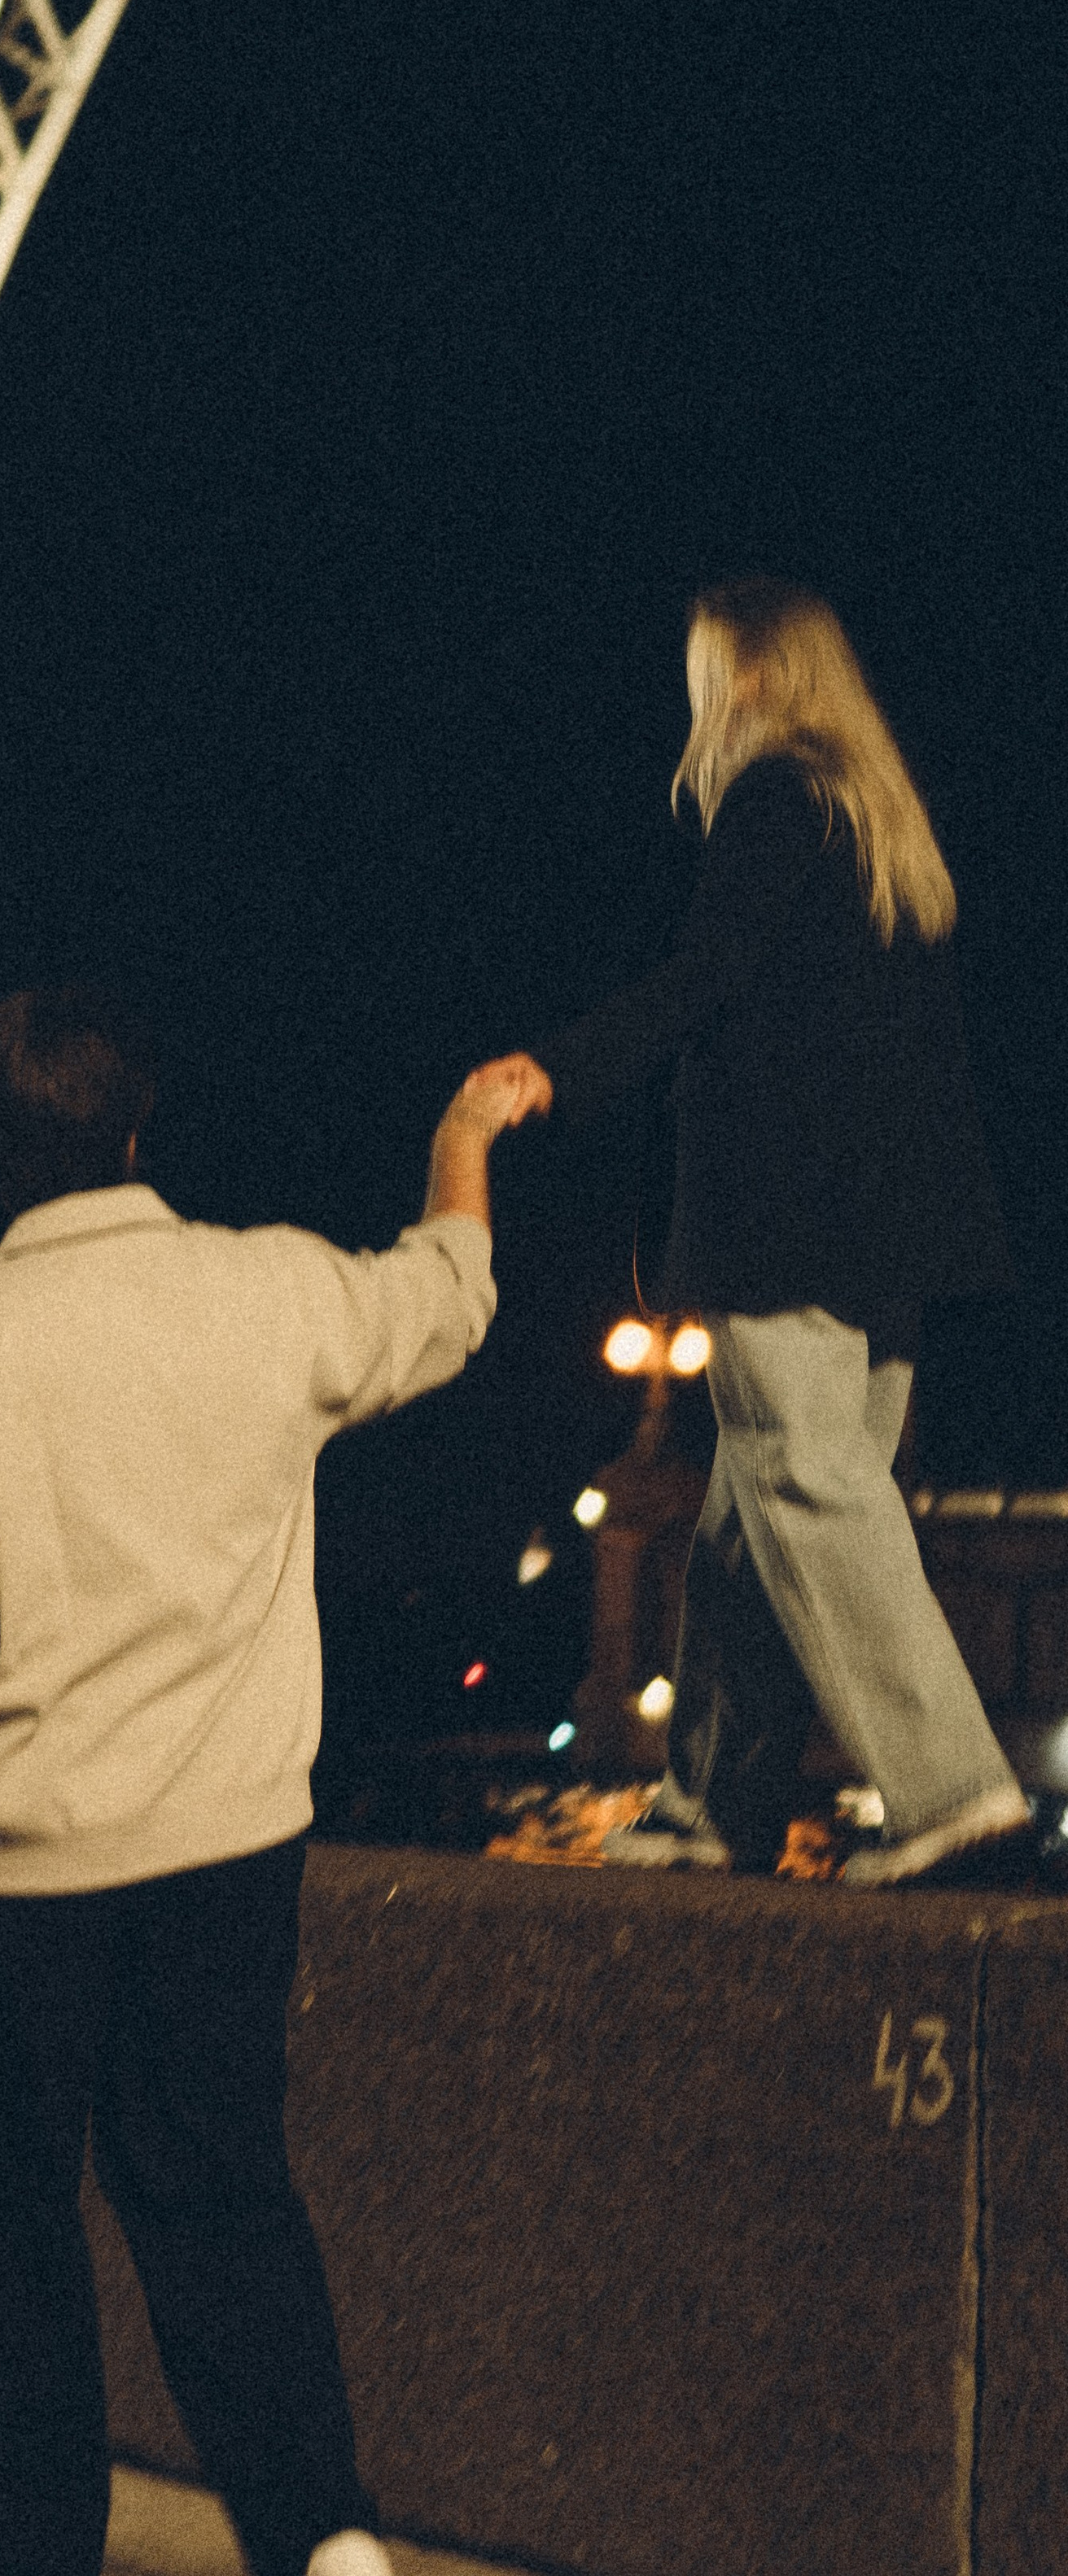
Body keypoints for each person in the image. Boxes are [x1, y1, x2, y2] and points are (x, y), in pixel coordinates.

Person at [0, 986, 543, 2576]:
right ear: (136, 1135)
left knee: (1, 2243)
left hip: (18, 1878)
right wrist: (457, 1138)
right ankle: (323, 2538)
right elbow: (446, 1296)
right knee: (217, 2198)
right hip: (230, 1856)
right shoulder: (266, 1290)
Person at [531, 576, 1026, 1887]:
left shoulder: (773, 797)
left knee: (809, 1487)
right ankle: (716, 1806)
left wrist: (557, 1071)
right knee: (749, 1532)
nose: (693, 695)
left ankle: (954, 1789)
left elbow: (705, 987)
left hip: (786, 1229)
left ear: (748, 677)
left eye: (704, 670)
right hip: (889, 1242)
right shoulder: (876, 821)